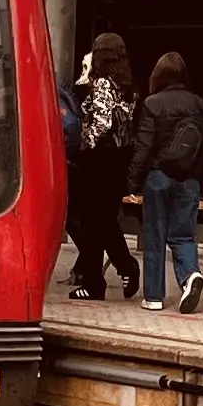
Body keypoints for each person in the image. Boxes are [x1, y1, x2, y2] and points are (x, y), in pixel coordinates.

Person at [128, 50, 203, 313]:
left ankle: (153, 297)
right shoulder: (198, 104)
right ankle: (190, 275)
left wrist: (132, 183)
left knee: (155, 236)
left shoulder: (152, 103)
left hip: (158, 178)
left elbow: (143, 147)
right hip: (189, 179)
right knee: (183, 235)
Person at [61, 34, 141, 301]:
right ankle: (116, 270)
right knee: (103, 221)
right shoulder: (127, 86)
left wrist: (86, 142)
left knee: (94, 222)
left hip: (98, 162)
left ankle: (103, 278)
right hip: (119, 161)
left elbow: (102, 124)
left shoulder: (103, 85)